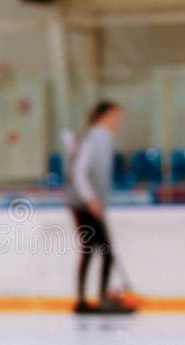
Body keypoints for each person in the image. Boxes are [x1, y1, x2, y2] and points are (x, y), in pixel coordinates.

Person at [66, 101, 135, 314]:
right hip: (83, 204)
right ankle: (92, 298)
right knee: (101, 250)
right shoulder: (93, 139)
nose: (118, 123)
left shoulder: (102, 139)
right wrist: (91, 200)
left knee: (98, 251)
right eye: (115, 117)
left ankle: (90, 298)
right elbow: (79, 172)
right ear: (103, 116)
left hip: (91, 203)